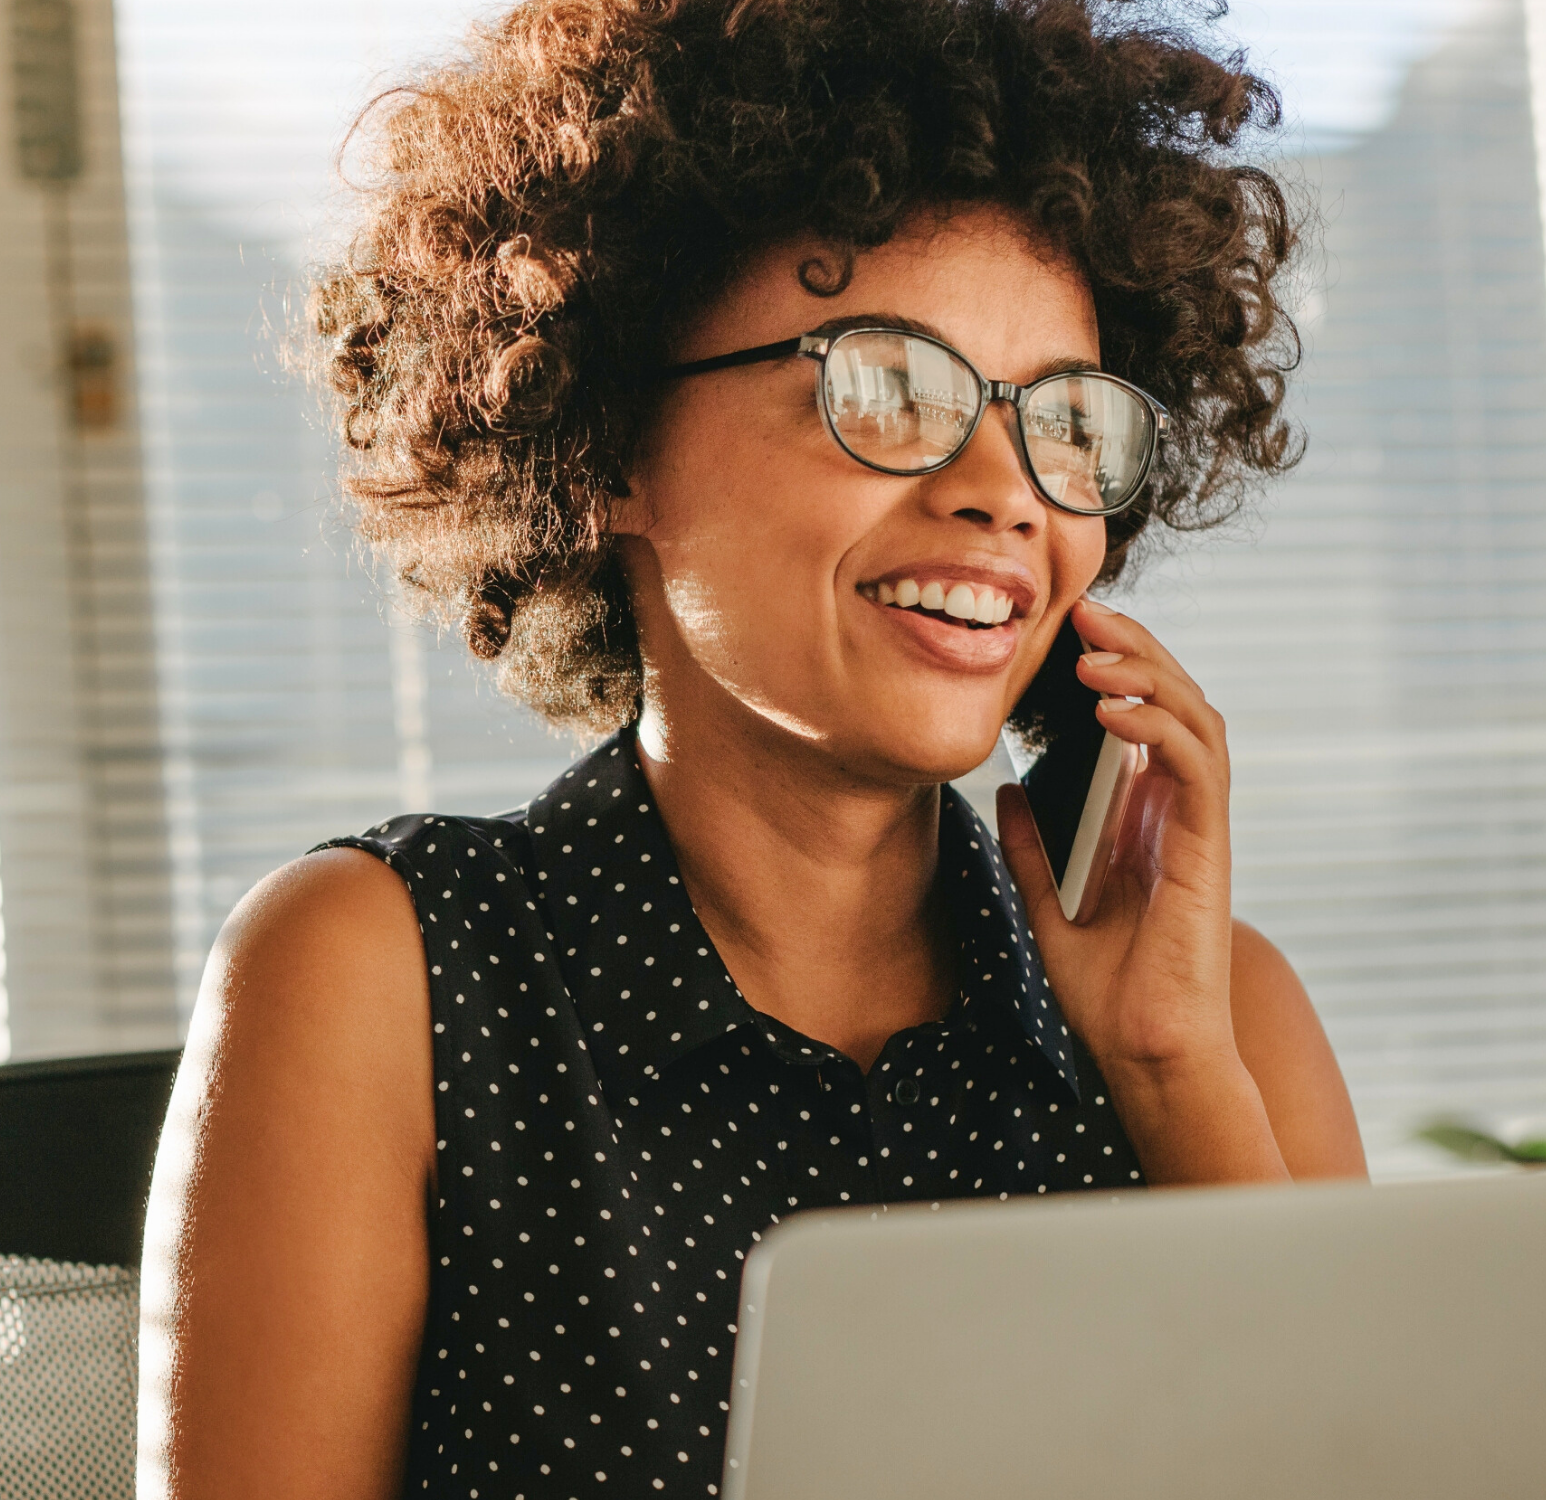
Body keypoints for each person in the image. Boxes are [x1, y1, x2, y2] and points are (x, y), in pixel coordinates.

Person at [137, 2, 1365, 1495]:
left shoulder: (1224, 1021)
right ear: (609, 449)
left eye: (1065, 419)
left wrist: (1174, 1079)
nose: (1006, 492)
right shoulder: (377, 982)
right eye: (886, 389)